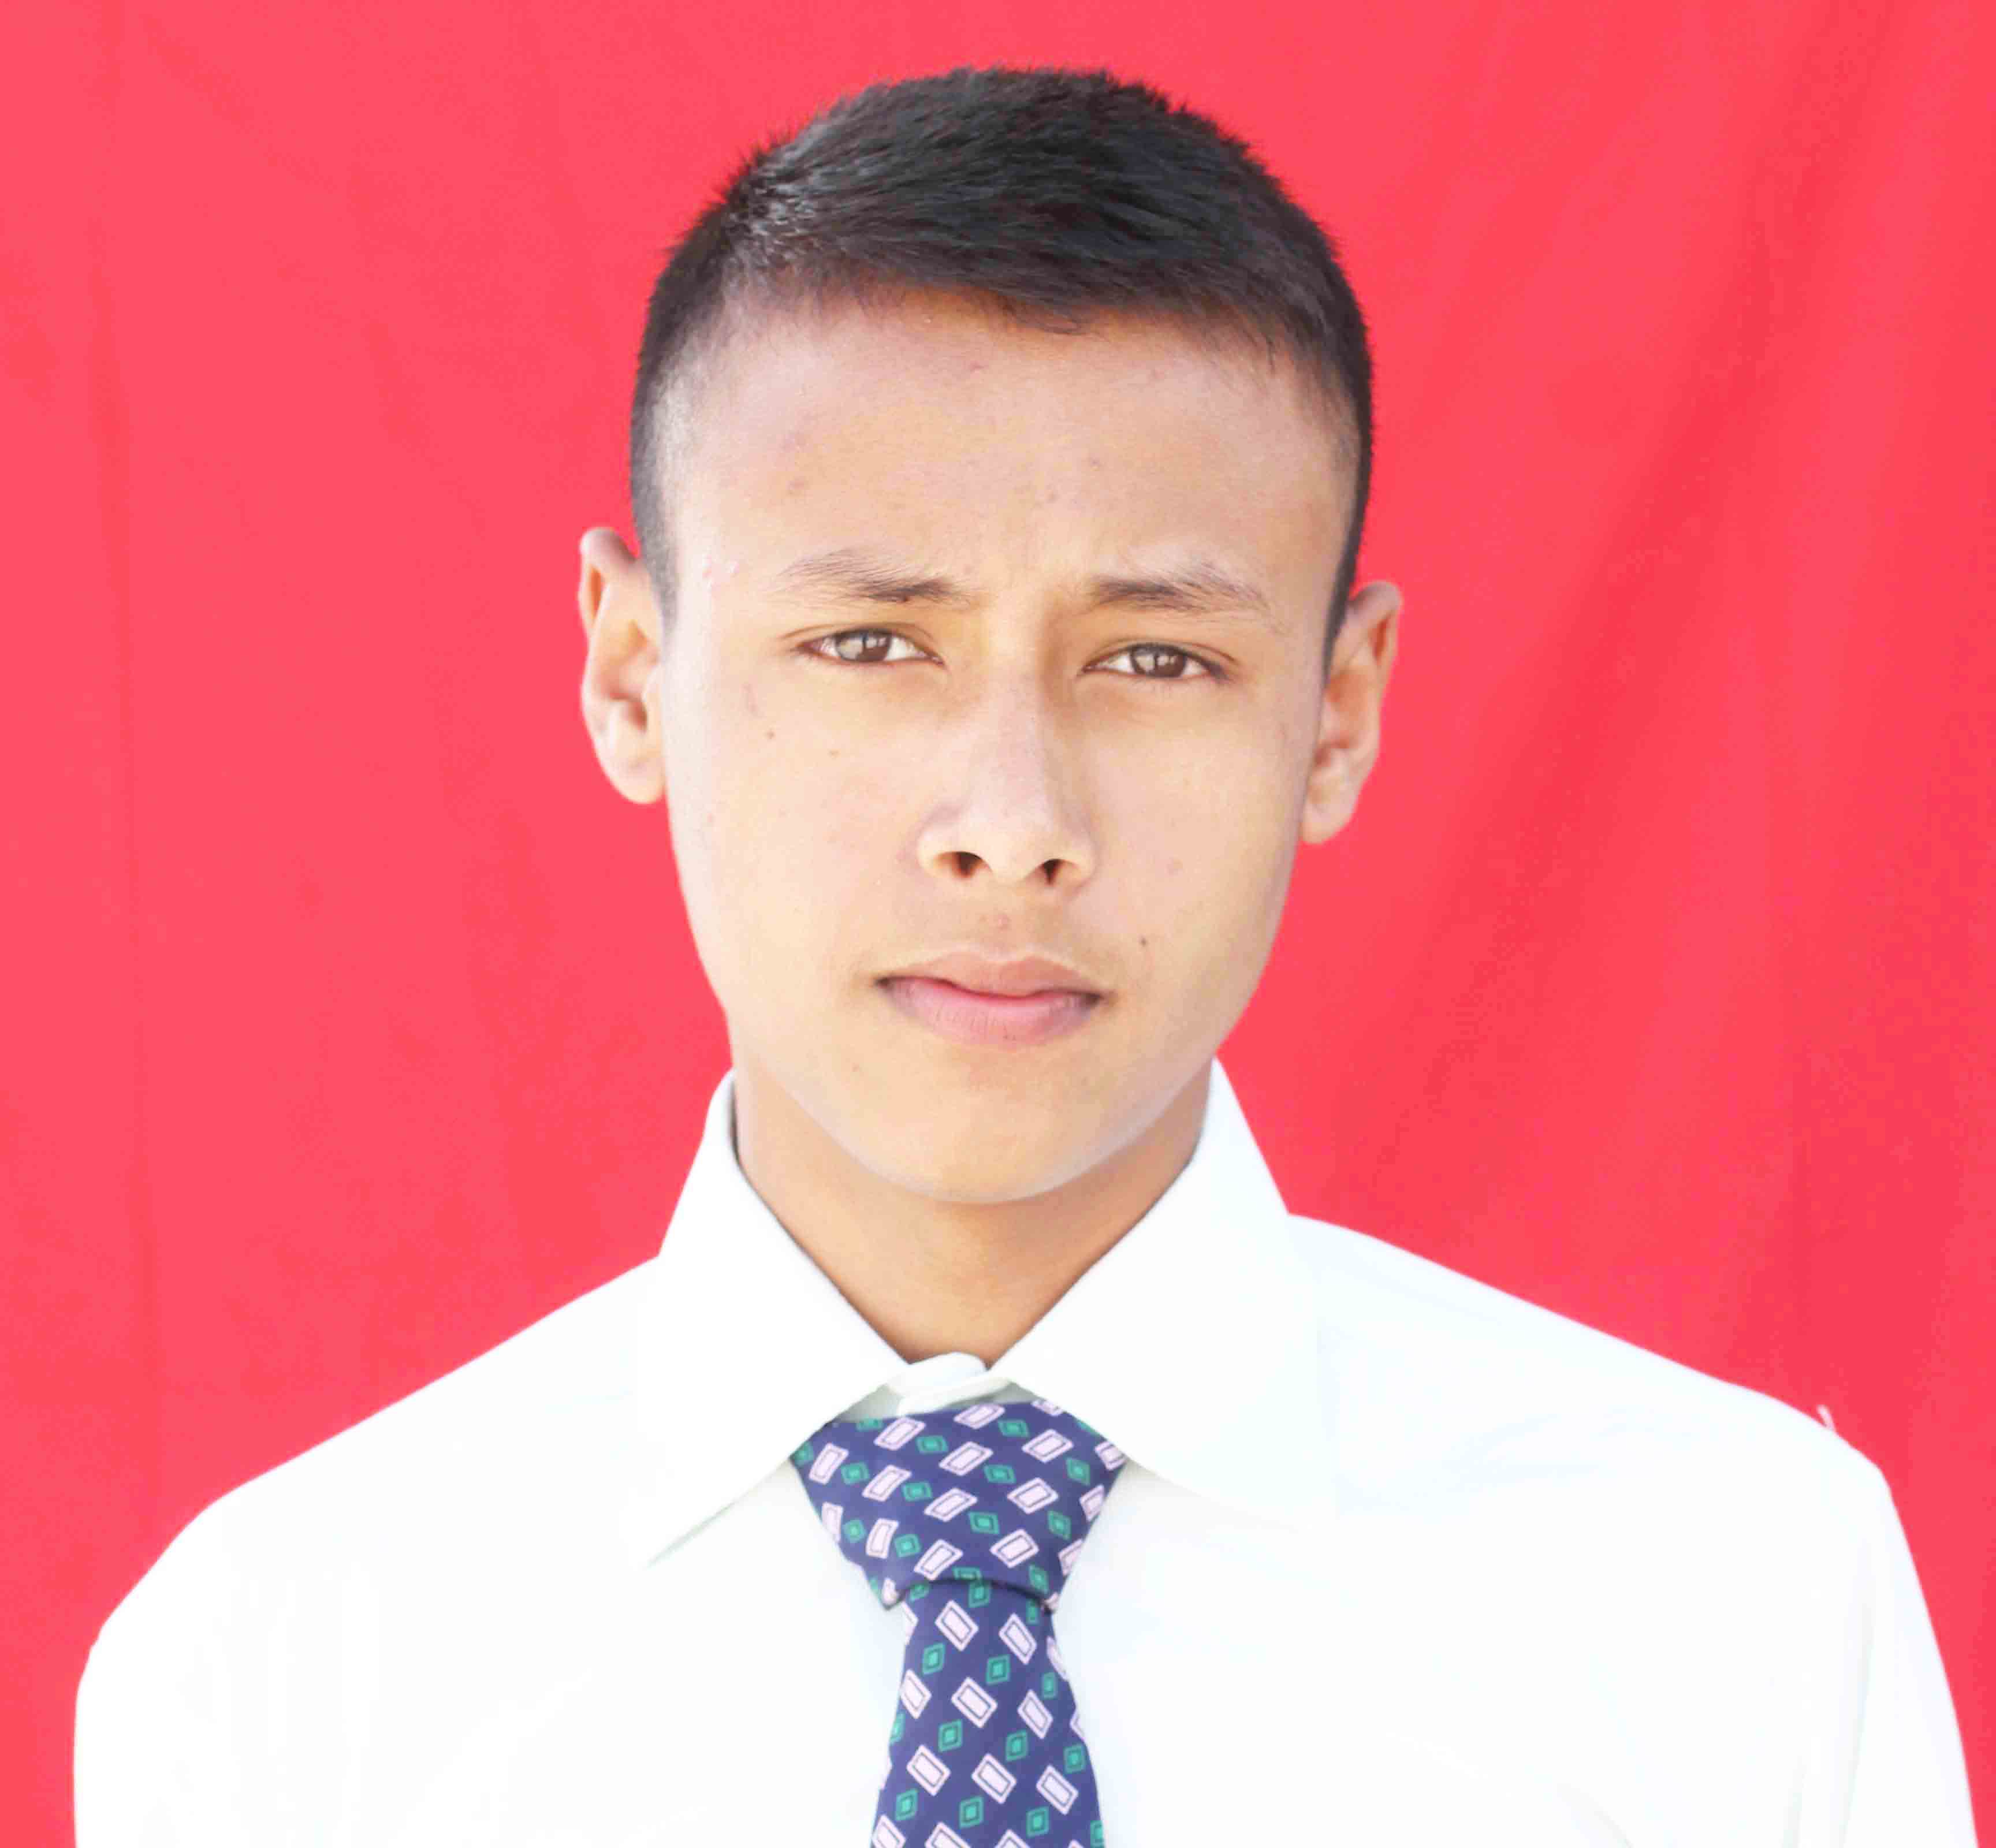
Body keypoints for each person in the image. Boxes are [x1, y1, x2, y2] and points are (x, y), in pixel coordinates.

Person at [73, 65, 1975, 1848]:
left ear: (1336, 713)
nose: (1012, 819)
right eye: (871, 645)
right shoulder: (278, 1673)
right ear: (633, 674)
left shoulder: (1734, 1596)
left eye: (1156, 659)